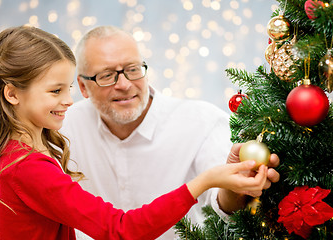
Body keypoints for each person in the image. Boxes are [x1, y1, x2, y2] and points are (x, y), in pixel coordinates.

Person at [0, 25, 270, 240]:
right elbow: (121, 230)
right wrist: (202, 182)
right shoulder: (31, 163)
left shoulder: (202, 121)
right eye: (55, 91)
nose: (67, 100)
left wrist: (224, 181)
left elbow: (228, 214)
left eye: (132, 69)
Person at [60, 25, 280, 239]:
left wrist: (236, 185)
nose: (125, 84)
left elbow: (223, 208)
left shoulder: (203, 122)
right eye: (107, 75)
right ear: (82, 87)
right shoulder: (62, 128)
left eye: (133, 69)